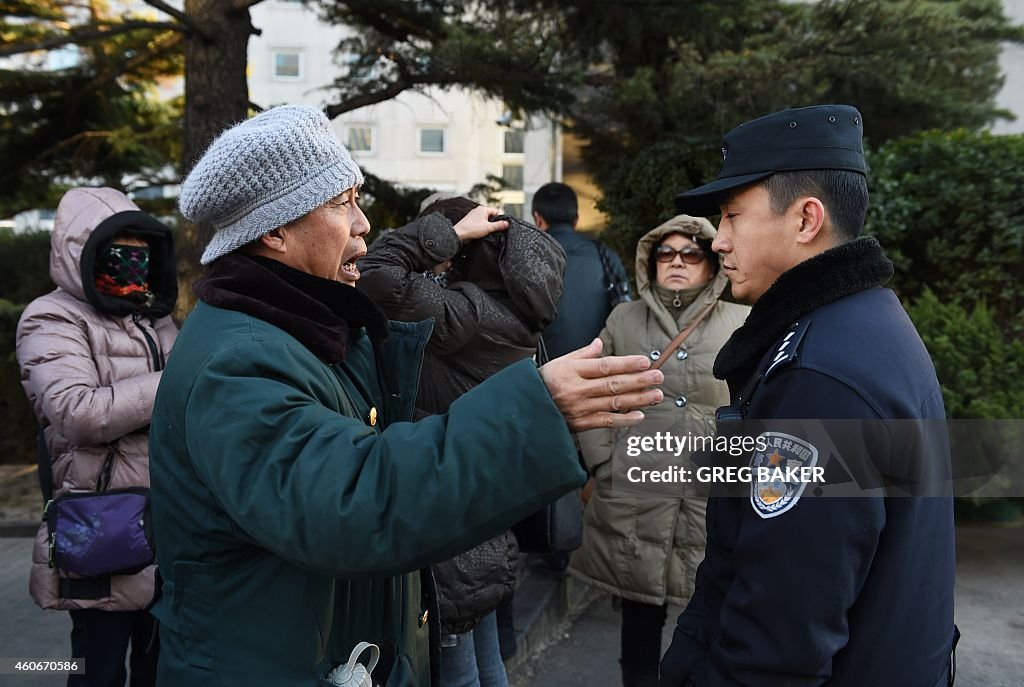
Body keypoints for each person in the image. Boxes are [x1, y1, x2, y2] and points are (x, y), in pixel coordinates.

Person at [149, 104, 664, 687]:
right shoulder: (239, 361)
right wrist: (532, 413)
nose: (365, 223)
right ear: (276, 229)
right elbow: (350, 500)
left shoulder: (303, 331)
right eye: (343, 202)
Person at [659, 104, 956, 686]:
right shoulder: (863, 320)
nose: (718, 240)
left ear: (805, 219)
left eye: (732, 215)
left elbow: (779, 640)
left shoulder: (818, 375)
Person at [358, 195, 566, 687]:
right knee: (482, 643)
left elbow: (376, 271)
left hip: (447, 496)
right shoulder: (514, 313)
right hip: (484, 495)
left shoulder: (466, 314)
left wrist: (447, 234)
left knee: (455, 664)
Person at [570, 215, 747, 687]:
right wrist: (603, 460)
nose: (677, 262)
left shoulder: (743, 320)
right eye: (665, 253)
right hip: (636, 493)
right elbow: (592, 388)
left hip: (708, 494)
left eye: (691, 254)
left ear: (713, 264)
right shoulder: (624, 319)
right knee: (639, 614)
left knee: (709, 610)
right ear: (650, 262)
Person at [16, 187, 179, 687]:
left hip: (167, 524)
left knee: (161, 668)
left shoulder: (155, 317)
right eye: (119, 247)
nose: (134, 259)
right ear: (80, 251)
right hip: (100, 523)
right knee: (95, 668)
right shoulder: (51, 317)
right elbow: (75, 411)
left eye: (141, 248)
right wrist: (176, 384)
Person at [531, 181, 631, 359]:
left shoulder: (524, 259)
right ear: (576, 219)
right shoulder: (605, 255)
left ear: (538, 219)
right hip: (597, 369)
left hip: (542, 373)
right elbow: (625, 311)